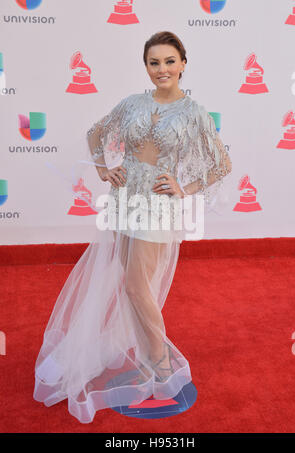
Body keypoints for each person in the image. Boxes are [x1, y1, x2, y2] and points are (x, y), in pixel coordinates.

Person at [33, 31, 232, 424]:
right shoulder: (132, 103)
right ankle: (147, 356)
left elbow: (221, 165)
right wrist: (106, 168)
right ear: (146, 66)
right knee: (129, 281)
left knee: (136, 287)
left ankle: (160, 369)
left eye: (170, 61)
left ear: (183, 63)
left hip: (158, 205)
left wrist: (183, 187)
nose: (163, 69)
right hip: (126, 200)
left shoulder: (194, 113)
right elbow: (95, 133)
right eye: (155, 62)